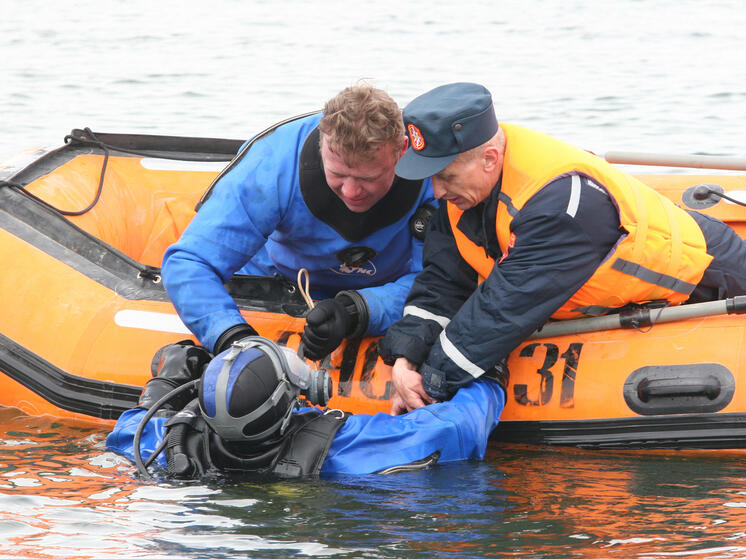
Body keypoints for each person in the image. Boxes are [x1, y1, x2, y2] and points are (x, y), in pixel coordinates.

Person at [378, 82, 746, 414]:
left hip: (708, 273)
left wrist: (430, 384)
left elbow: (502, 310)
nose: (437, 191)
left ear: (489, 159)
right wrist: (406, 356)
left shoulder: (561, 207)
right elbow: (443, 280)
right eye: (433, 178)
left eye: (446, 177)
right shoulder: (461, 195)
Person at [161, 84, 436, 361]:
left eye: (368, 178)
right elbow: (190, 263)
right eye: (337, 173)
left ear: (401, 150)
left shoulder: (435, 176)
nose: (352, 192)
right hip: (275, 280)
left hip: (380, 290)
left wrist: (358, 310)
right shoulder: (272, 164)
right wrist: (234, 339)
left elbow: (440, 282)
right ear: (322, 145)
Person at [105, 337, 505, 478]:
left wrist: (166, 383)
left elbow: (128, 429)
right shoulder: (346, 449)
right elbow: (454, 428)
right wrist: (491, 374)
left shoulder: (167, 445)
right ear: (288, 402)